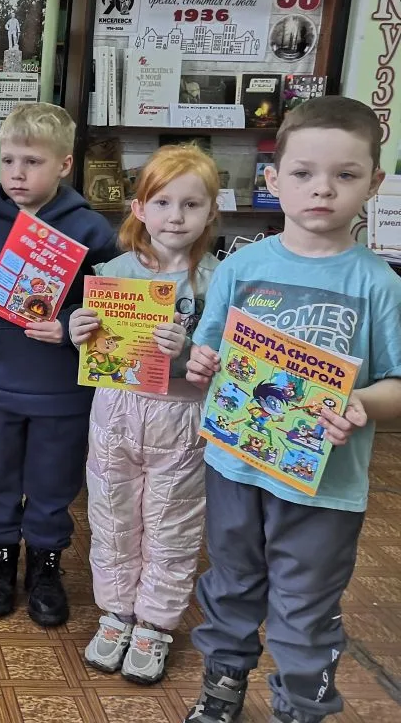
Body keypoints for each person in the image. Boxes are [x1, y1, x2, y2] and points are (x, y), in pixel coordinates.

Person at [183, 96, 401, 723]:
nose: (323, 189)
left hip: (324, 487)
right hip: (235, 467)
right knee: (230, 582)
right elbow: (208, 350)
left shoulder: (378, 284)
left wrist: (360, 402)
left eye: (345, 175)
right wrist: (201, 363)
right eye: (304, 173)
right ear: (273, 179)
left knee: (306, 606)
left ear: (373, 183)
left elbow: (396, 384)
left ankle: (301, 707)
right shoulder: (241, 266)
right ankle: (222, 684)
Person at [0, 103, 118, 625]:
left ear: (64, 165)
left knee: (54, 479)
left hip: (64, 390)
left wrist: (69, 325)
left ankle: (46, 564)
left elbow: (115, 310)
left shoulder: (93, 231)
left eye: (32, 161)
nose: (17, 173)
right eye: (8, 161)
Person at [67, 145, 219, 683]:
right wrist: (77, 328)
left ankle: (155, 623)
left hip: (182, 418)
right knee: (112, 516)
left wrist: (191, 350)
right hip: (115, 412)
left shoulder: (217, 281)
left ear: (210, 212)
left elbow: (227, 362)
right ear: (139, 208)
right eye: (162, 202)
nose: (175, 216)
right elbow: (93, 338)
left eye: (191, 205)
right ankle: (116, 614)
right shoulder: (113, 272)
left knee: (173, 524)